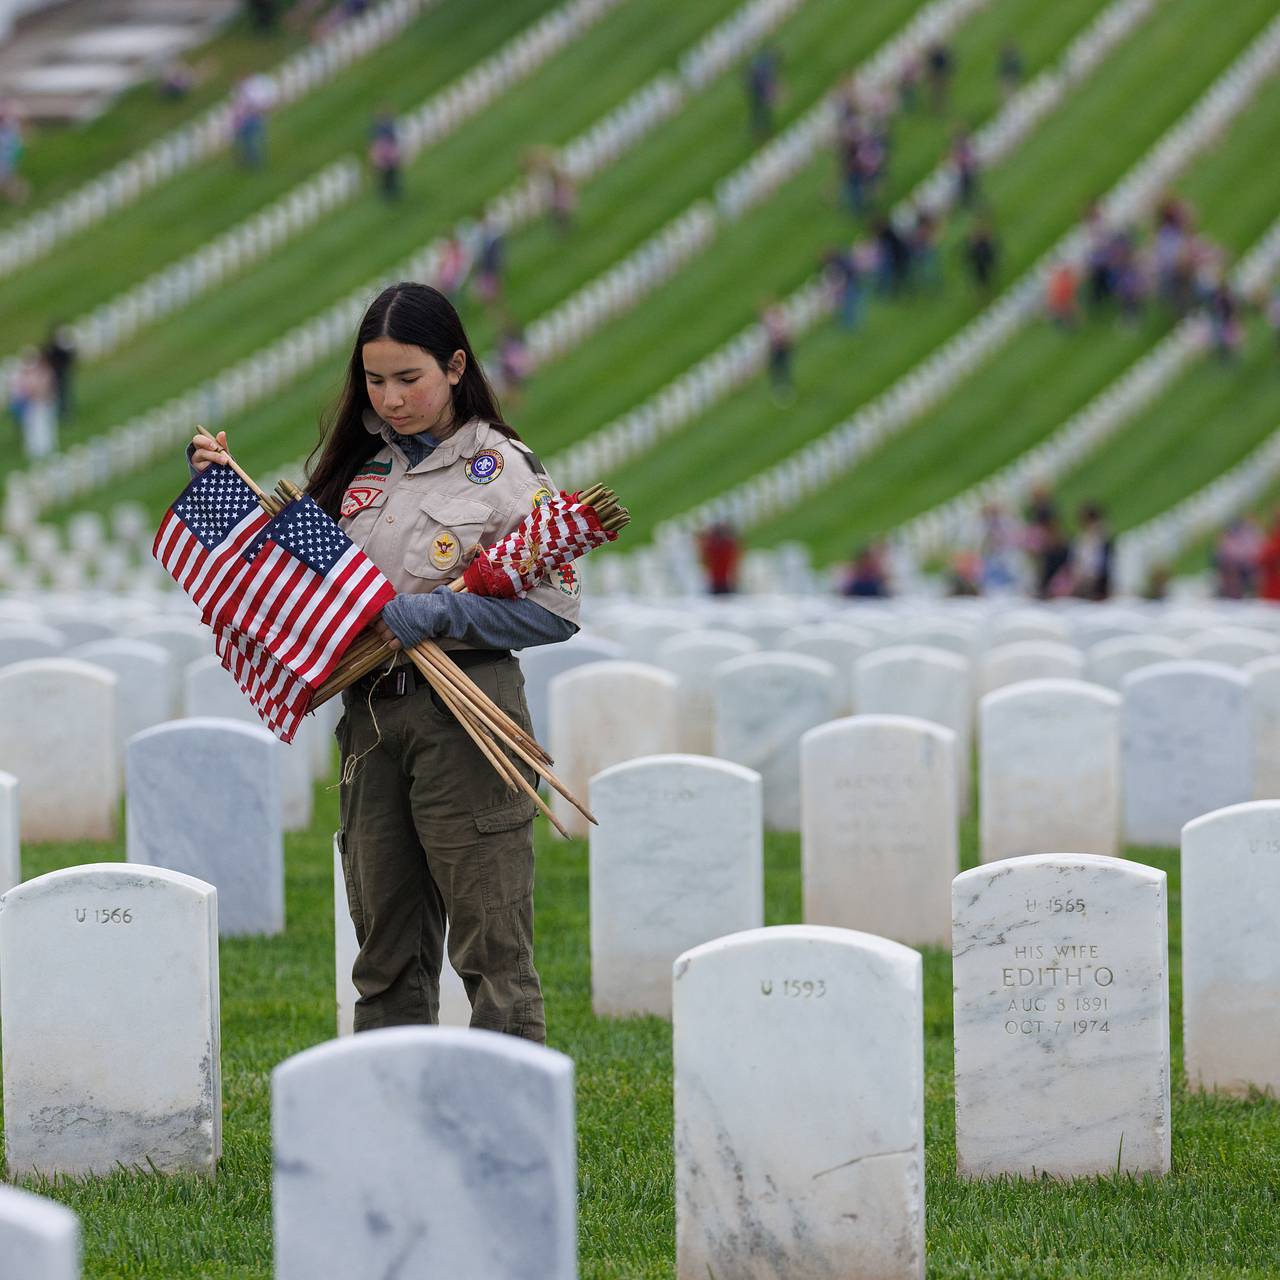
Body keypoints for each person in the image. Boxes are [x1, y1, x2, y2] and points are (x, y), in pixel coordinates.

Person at [189, 283, 580, 1041]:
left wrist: (439, 612)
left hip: (467, 716)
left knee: (491, 950)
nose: (391, 399)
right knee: (385, 951)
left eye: (410, 379)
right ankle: (390, 1129)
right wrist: (223, 493)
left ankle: (505, 1141)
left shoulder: (504, 471)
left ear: (457, 366)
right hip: (370, 718)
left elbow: (555, 612)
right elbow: (305, 587)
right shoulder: (361, 470)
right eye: (375, 380)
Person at [1072, 502, 1113, 601]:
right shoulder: (1085, 537)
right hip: (1087, 576)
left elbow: (1097, 561)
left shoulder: (1100, 536)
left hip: (1097, 577)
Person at [745, 45, 781, 138]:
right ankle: (759, 130)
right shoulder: (765, 66)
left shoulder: (765, 64)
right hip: (758, 91)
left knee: (761, 113)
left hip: (758, 91)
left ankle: (761, 130)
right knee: (759, 113)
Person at [42, 323, 76, 420]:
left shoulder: (63, 345)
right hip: (54, 373)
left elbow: (70, 357)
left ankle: (65, 412)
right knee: (57, 394)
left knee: (64, 393)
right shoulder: (52, 345)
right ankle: (60, 412)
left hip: (62, 372)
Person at [368, 109, 403, 201]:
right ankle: (388, 192)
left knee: (389, 175)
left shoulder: (384, 127)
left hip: (387, 155)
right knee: (387, 175)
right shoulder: (384, 128)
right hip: (386, 155)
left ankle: (390, 191)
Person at [698, 522, 741, 594]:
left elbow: (703, 556)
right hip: (723, 583)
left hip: (719, 583)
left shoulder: (714, 547)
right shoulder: (728, 546)